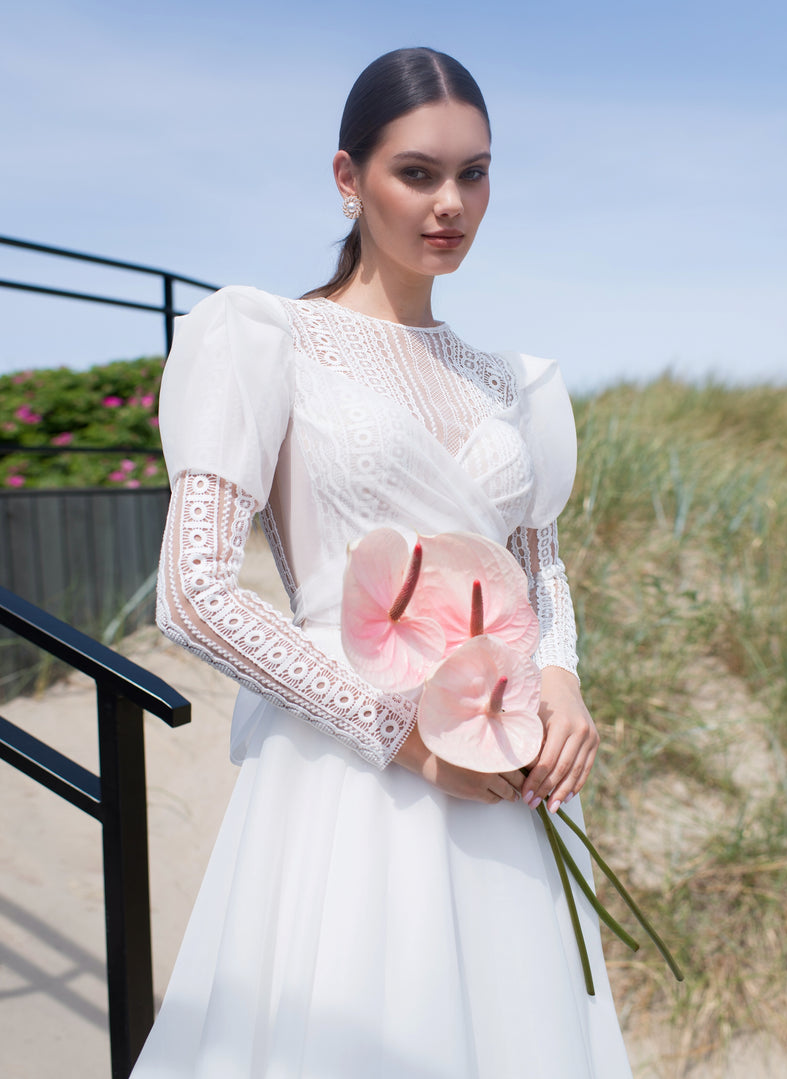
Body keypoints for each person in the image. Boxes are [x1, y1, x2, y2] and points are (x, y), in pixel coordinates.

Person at [132, 47, 632, 1078]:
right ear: (347, 177)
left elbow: (537, 567)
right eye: (416, 172)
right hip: (352, 775)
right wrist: (400, 733)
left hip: (507, 768)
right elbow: (193, 591)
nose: (450, 203)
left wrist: (560, 677)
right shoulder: (265, 340)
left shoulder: (516, 384)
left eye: (474, 172)